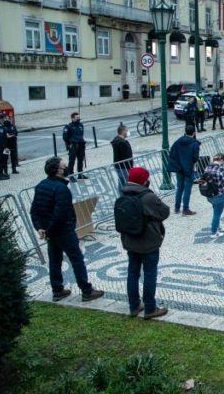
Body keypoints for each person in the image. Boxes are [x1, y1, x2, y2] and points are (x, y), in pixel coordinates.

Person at [29, 157, 104, 302]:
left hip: (50, 231)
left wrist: (40, 229)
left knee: (55, 261)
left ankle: (57, 290)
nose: (67, 168)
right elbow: (60, 215)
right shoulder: (61, 189)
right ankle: (86, 290)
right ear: (58, 170)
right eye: (64, 167)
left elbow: (34, 211)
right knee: (77, 259)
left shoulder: (41, 185)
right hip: (63, 231)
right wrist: (47, 231)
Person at [119, 167, 170, 319]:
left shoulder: (123, 194)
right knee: (149, 274)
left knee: (132, 273)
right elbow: (165, 212)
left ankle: (134, 306)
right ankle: (150, 308)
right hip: (148, 242)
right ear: (144, 180)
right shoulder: (148, 197)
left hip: (130, 241)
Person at [168, 124, 200, 216]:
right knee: (187, 190)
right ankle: (185, 209)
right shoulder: (194, 143)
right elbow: (195, 157)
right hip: (188, 169)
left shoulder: (178, 141)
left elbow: (172, 154)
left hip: (179, 168)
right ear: (194, 133)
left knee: (180, 188)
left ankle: (177, 208)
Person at [201, 153, 224, 236]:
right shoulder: (220, 169)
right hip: (219, 195)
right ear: (221, 160)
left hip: (210, 195)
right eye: (223, 161)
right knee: (217, 214)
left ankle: (217, 227)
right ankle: (214, 232)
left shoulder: (207, 168)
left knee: (216, 212)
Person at [63, 112, 87, 177]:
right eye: (77, 118)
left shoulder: (81, 125)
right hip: (73, 146)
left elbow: (81, 135)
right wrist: (69, 144)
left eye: (79, 117)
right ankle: (71, 175)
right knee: (72, 161)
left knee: (80, 160)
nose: (78, 119)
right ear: (72, 118)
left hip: (81, 145)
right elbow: (65, 137)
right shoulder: (68, 126)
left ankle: (80, 174)